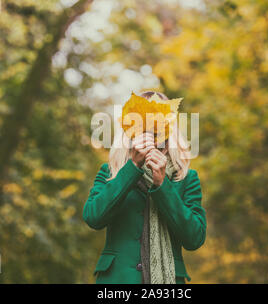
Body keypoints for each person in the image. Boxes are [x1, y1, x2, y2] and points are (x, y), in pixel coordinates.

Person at [83, 91, 206, 284]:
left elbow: (195, 238)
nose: (149, 132)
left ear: (169, 129)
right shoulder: (112, 171)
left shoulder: (186, 177)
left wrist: (162, 185)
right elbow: (93, 217)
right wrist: (131, 168)